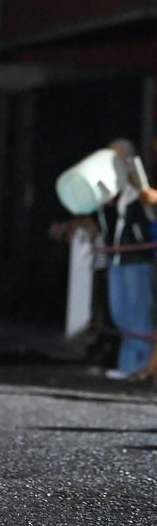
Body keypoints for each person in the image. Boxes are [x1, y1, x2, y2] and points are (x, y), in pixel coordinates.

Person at [97, 139, 154, 378]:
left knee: (137, 313)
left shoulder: (139, 189)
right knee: (120, 314)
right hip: (117, 258)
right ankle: (127, 364)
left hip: (136, 257)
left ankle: (136, 365)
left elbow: (149, 210)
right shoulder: (110, 191)